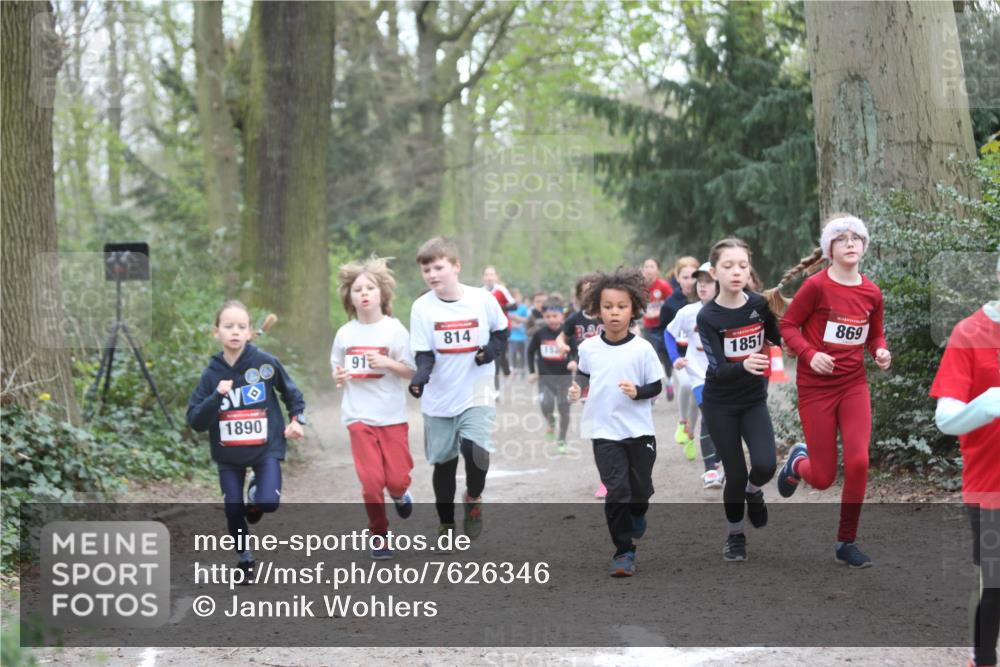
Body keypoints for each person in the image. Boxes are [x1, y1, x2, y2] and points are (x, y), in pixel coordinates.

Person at [770, 213, 891, 569]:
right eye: (842, 238)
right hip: (816, 389)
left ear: (864, 246)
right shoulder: (817, 287)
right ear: (829, 249)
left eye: (856, 238)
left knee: (859, 461)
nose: (850, 243)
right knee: (823, 478)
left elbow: (875, 335)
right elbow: (788, 326)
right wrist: (810, 354)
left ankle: (846, 542)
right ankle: (797, 462)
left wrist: (880, 351)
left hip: (853, 385)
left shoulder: (872, 292)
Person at [187, 300, 305, 581]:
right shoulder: (212, 374)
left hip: (266, 448)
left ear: (250, 332)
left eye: (241, 326)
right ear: (216, 332)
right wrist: (216, 396)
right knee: (233, 509)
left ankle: (255, 495)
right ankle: (245, 558)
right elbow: (196, 420)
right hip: (229, 455)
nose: (235, 331)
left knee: (268, 503)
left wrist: (297, 420)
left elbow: (291, 394)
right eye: (228, 326)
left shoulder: (264, 363)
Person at [410, 238, 508, 543]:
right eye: (426, 270)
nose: (432, 275)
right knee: (444, 463)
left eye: (438, 267)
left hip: (477, 391)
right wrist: (420, 378)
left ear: (456, 266)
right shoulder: (421, 307)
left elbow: (501, 332)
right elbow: (423, 353)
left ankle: (474, 497)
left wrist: (489, 352)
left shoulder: (482, 300)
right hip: (439, 397)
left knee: (475, 451)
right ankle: (446, 524)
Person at [928, 253, 1000, 667]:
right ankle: (983, 659)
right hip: (990, 485)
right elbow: (946, 418)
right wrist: (989, 404)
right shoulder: (970, 332)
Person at [568, 268, 664, 577]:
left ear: (633, 309)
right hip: (604, 431)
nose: (614, 312)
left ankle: (638, 512)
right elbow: (584, 375)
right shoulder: (588, 348)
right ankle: (623, 551)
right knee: (617, 491)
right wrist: (576, 388)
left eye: (621, 306)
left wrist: (638, 392)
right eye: (608, 306)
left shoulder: (642, 349)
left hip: (639, 431)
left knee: (640, 491)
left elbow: (656, 386)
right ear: (597, 309)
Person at [696, 239, 781, 562]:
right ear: (714, 272)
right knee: (735, 473)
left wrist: (789, 342)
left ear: (749, 270)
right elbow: (717, 369)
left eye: (743, 266)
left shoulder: (759, 305)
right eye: (728, 266)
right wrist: (744, 365)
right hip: (720, 404)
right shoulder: (708, 316)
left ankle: (753, 491)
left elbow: (777, 338)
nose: (736, 272)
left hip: (753, 399)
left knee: (765, 465)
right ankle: (735, 536)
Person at [331, 256, 416, 560]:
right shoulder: (345, 334)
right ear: (350, 298)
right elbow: (337, 369)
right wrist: (339, 376)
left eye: (370, 288)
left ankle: (400, 493)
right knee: (371, 484)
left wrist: (387, 363)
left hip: (391, 415)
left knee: (396, 480)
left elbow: (411, 371)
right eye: (357, 290)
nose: (364, 293)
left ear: (382, 293)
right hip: (358, 416)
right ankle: (379, 535)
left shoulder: (395, 330)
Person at [666, 262, 723, 488]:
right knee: (708, 415)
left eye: (708, 282)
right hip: (699, 375)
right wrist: (675, 359)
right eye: (699, 282)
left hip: (726, 376)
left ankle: (718, 462)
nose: (702, 286)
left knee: (723, 421)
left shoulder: (731, 312)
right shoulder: (687, 312)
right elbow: (669, 334)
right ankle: (710, 470)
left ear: (719, 284)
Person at [557, 273, 607, 497]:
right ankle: (606, 479)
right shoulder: (574, 319)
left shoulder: (608, 313)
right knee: (598, 429)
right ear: (579, 296)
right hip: (585, 377)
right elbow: (561, 337)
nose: (589, 294)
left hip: (610, 374)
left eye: (593, 289)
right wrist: (562, 346)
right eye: (585, 291)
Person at [661, 256, 700, 452]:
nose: (689, 281)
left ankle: (691, 434)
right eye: (685, 277)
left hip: (699, 357)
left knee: (696, 396)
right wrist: (672, 357)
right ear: (677, 278)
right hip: (679, 356)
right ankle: (682, 422)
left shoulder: (706, 298)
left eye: (693, 276)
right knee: (685, 384)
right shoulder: (670, 304)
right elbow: (664, 331)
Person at [527, 297, 573, 453]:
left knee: (564, 409)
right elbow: (530, 351)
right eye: (547, 316)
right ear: (543, 317)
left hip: (564, 378)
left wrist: (574, 361)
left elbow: (575, 350)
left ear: (562, 315)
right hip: (545, 378)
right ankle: (550, 421)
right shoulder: (540, 334)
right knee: (546, 404)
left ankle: (562, 439)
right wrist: (532, 371)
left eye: (555, 316)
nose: (551, 319)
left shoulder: (567, 334)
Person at [641, 258, 675, 400]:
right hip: (649, 328)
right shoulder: (640, 288)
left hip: (663, 327)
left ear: (657, 270)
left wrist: (660, 312)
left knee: (666, 357)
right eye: (646, 266)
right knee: (651, 357)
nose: (648, 269)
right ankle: (653, 389)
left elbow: (672, 303)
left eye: (652, 266)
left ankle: (669, 381)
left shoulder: (663, 286)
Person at [482, 266, 516, 389]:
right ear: (483, 277)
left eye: (491, 275)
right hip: (487, 329)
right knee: (493, 357)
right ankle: (495, 387)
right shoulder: (480, 292)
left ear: (496, 277)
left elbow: (514, 306)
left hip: (503, 327)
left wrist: (499, 308)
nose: (489, 277)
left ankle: (507, 372)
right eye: (487, 275)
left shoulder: (501, 290)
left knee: (500, 355)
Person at [508, 288, 530, 378]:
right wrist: (512, 324)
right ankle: (513, 371)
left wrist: (518, 319)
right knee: (513, 354)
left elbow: (528, 320)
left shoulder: (523, 308)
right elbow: (506, 320)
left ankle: (522, 371)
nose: (517, 298)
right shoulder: (509, 308)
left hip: (523, 336)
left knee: (523, 355)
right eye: (514, 297)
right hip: (512, 336)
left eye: (518, 296)